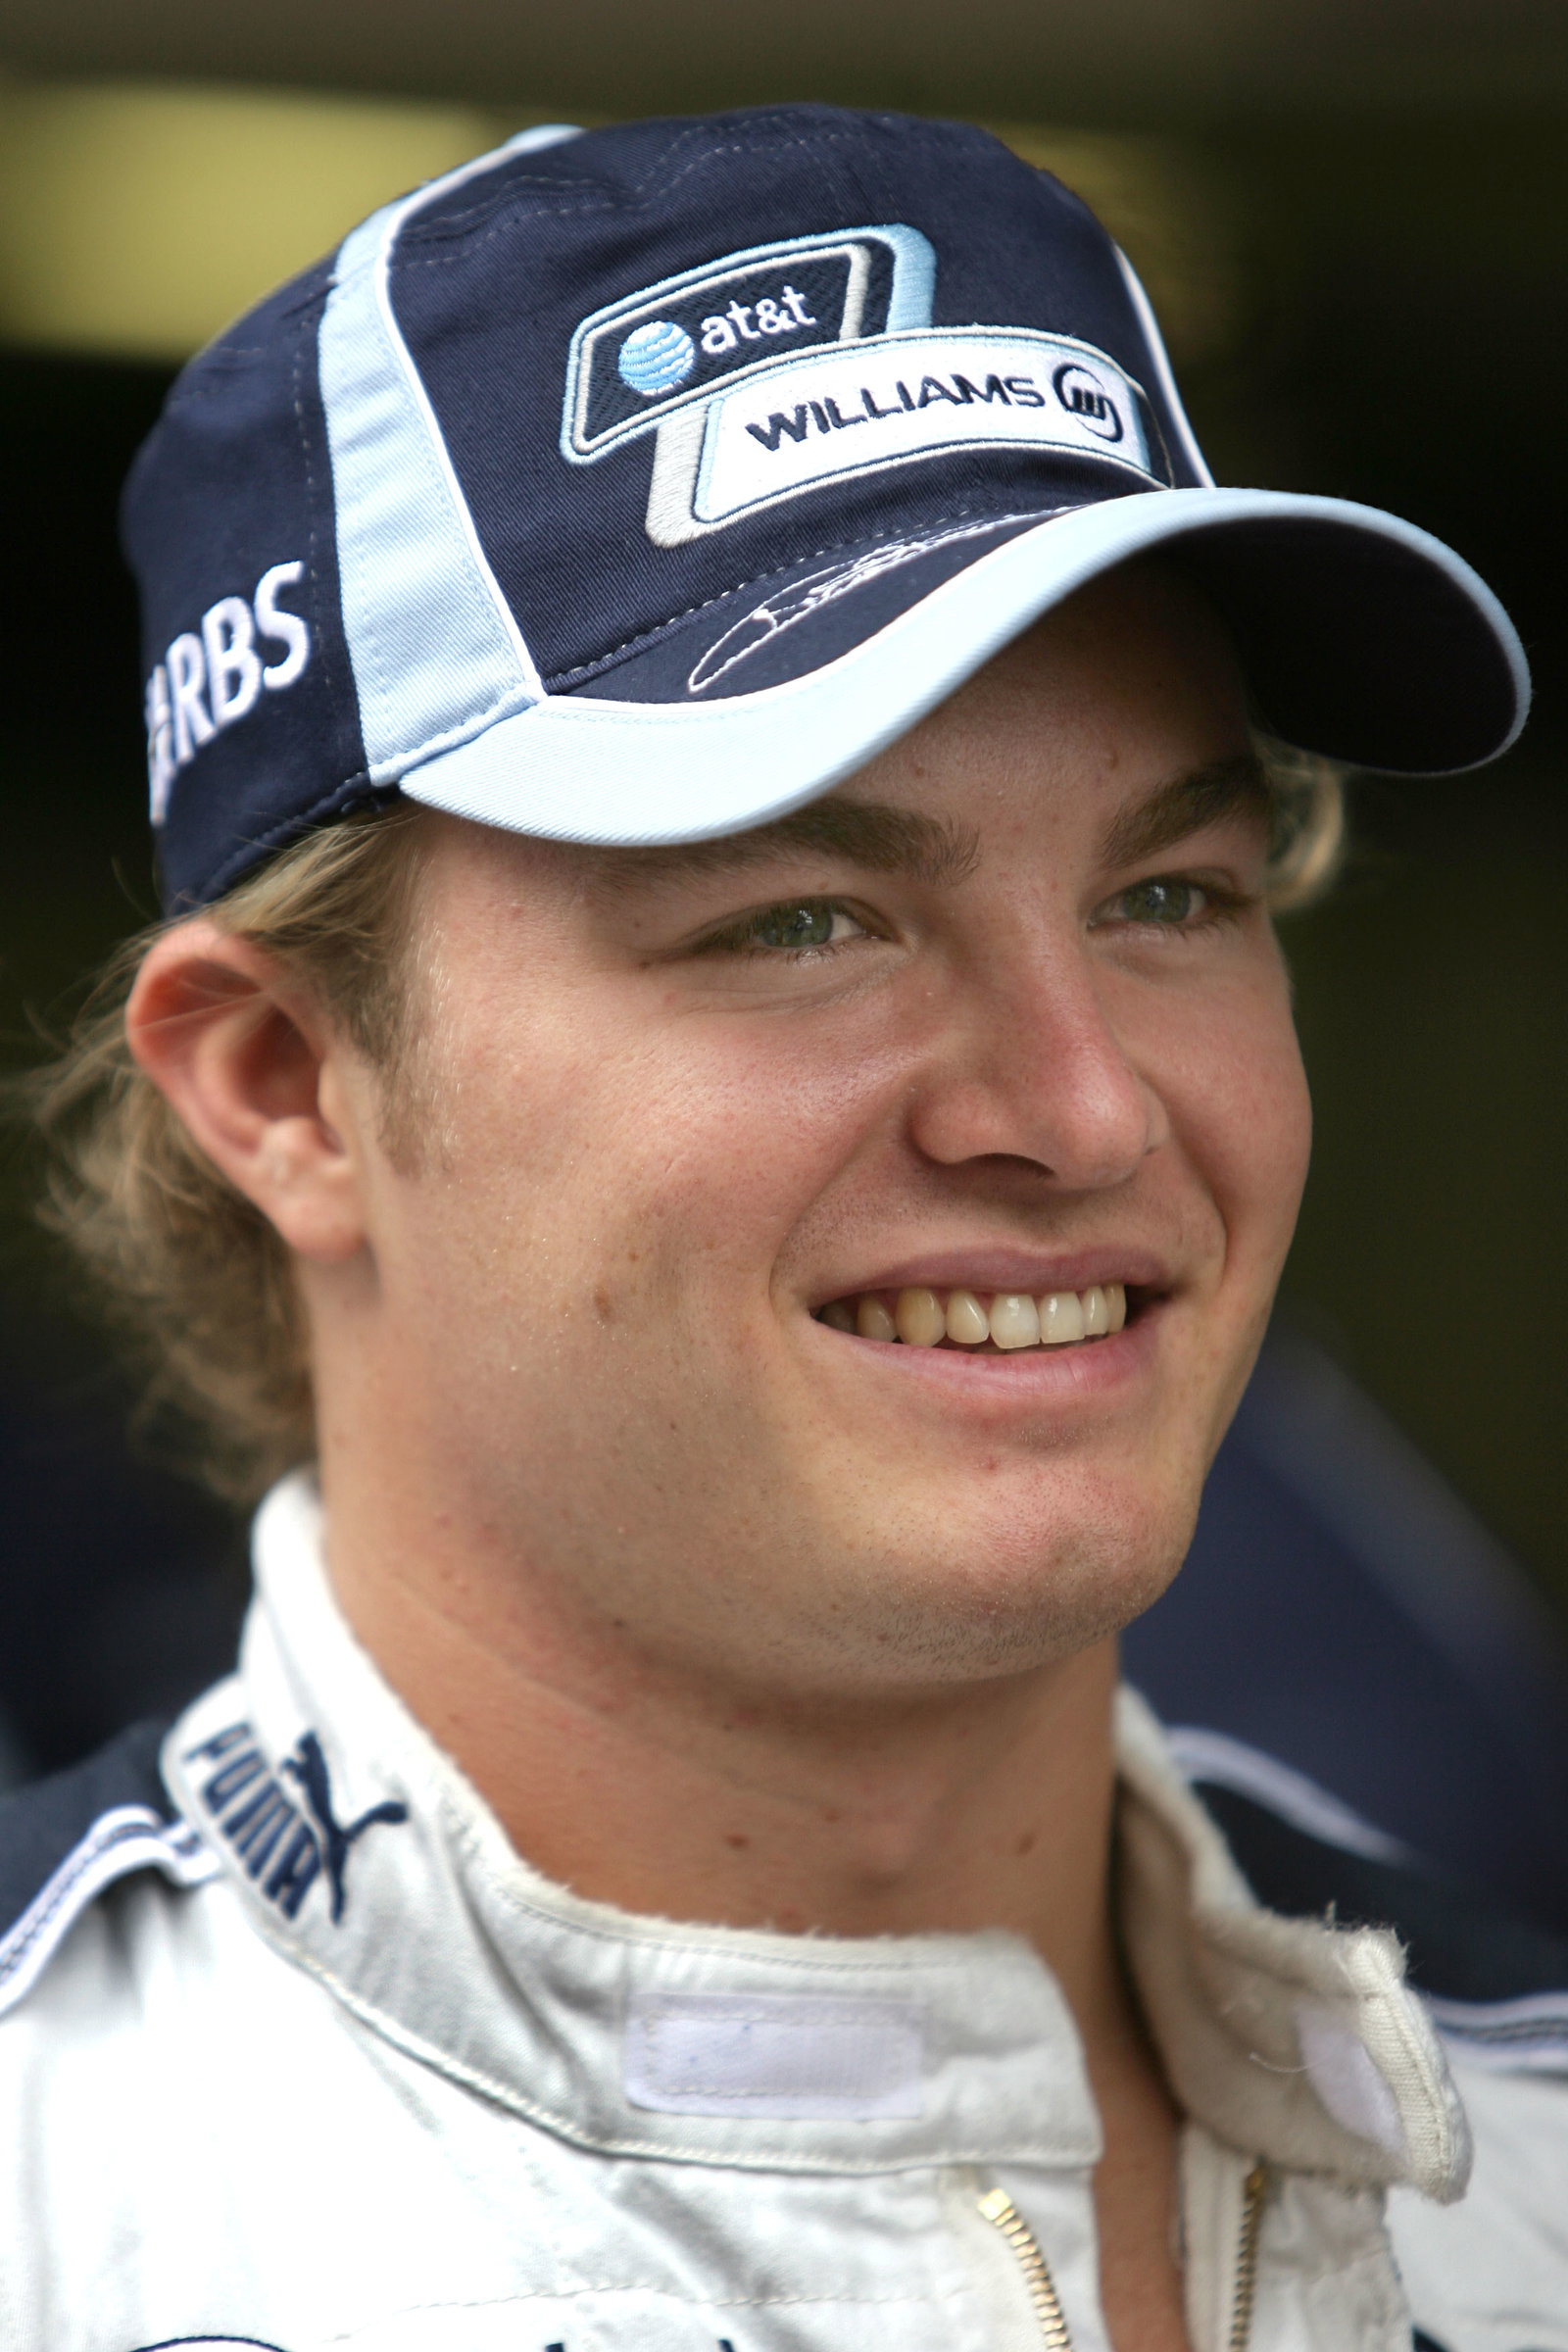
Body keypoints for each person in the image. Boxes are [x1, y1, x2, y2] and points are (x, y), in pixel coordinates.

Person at [1, 104, 1562, 2352]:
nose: (1080, 1101)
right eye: (799, 919)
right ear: (282, 1089)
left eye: (1165, 896)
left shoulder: (1520, 2128)